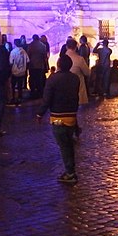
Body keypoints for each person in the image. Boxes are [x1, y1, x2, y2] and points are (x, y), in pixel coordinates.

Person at [35, 54, 81, 184]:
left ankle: (70, 172)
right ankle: (70, 170)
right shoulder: (75, 78)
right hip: (71, 116)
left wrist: (40, 113)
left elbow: (47, 99)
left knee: (64, 145)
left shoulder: (53, 79)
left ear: (59, 65)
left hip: (58, 116)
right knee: (69, 144)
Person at [27, 34, 49, 99]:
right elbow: (45, 56)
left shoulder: (30, 45)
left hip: (32, 65)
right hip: (40, 65)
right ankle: (40, 93)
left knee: (32, 79)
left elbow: (28, 55)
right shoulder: (43, 46)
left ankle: (33, 93)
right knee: (40, 80)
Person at [9, 38, 29, 105]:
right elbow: (28, 60)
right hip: (22, 71)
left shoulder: (13, 52)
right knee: (20, 86)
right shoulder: (24, 51)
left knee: (13, 85)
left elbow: (11, 62)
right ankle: (20, 97)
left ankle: (13, 98)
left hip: (15, 71)